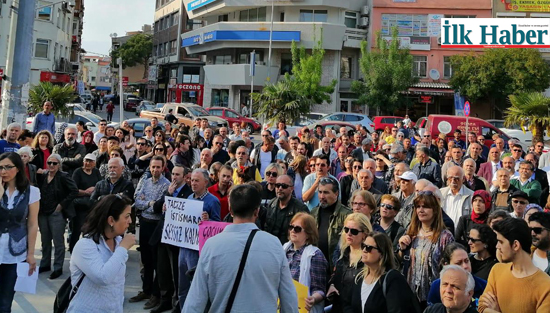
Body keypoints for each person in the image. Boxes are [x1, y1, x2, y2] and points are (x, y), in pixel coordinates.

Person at [183, 184, 298, 312]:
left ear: (230, 210)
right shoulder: (274, 244)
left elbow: (195, 301)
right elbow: (289, 298)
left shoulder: (211, 246)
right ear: (257, 211)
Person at [67, 195, 135, 313]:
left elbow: (117, 286)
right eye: (127, 216)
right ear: (111, 220)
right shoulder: (85, 245)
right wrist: (123, 248)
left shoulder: (118, 242)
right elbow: (103, 277)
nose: (130, 221)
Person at [478, 218, 550, 313]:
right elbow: (482, 307)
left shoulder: (545, 286)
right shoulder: (497, 270)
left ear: (515, 245)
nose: (497, 246)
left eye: (501, 242)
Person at [398, 192, 455, 306]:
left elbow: (451, 268)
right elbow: (400, 262)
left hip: (434, 296)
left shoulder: (445, 237)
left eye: (426, 206)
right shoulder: (411, 232)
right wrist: (402, 248)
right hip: (411, 295)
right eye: (418, 207)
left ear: (435, 210)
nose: (421, 210)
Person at [0, 152, 40, 313]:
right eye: (0, 167)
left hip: (15, 254)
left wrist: (30, 254)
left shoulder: (32, 191)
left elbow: (32, 224)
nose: (3, 171)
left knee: (5, 302)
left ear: (18, 169)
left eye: (8, 167)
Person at [130, 156, 170, 309]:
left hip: (157, 225)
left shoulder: (166, 185)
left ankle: (156, 294)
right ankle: (146, 290)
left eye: (158, 167)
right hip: (145, 223)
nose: (155, 170)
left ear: (163, 167)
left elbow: (158, 207)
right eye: (153, 167)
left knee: (156, 262)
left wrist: (148, 204)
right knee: (146, 260)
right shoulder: (145, 182)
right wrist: (149, 203)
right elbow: (137, 203)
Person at [178, 169, 221, 310]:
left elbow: (217, 226)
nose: (193, 183)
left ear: (206, 183)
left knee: (195, 286)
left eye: (197, 180)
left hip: (197, 250)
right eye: (192, 180)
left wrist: (208, 221)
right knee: (182, 285)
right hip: (184, 248)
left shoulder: (213, 201)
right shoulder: (189, 198)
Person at [348, 232, 421, 313]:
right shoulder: (358, 278)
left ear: (382, 254)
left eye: (369, 248)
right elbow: (348, 305)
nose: (364, 250)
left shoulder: (393, 279)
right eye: (363, 246)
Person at [37, 154, 78, 279]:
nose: (51, 165)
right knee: (45, 240)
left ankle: (58, 267)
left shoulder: (63, 176)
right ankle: (45, 264)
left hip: (56, 213)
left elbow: (74, 190)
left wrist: (62, 204)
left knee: (58, 241)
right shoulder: (43, 176)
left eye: (54, 163)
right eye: (49, 163)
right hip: (43, 212)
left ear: (59, 165)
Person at [283, 213, 328, 313]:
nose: (293, 231)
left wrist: (313, 298)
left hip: (303, 309)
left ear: (308, 234)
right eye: (291, 227)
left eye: (298, 229)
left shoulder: (315, 254)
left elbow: (319, 289)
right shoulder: (283, 250)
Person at [327, 213, 371, 312]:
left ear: (364, 234)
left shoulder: (368, 259)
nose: (349, 233)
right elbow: (336, 279)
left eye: (354, 231)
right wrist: (332, 285)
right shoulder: (342, 254)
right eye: (346, 229)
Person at [310, 176, 351, 269]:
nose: (322, 196)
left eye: (326, 192)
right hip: (314, 265)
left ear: (336, 193)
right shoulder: (313, 213)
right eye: (320, 192)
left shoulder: (347, 215)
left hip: (334, 267)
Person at [69, 153, 102, 252]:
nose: (88, 163)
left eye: (90, 161)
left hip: (92, 206)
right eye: (86, 161)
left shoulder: (96, 172)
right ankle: (73, 250)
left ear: (94, 163)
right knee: (77, 229)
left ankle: (87, 251)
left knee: (90, 230)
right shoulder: (78, 172)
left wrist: (94, 189)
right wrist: (86, 192)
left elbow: (100, 185)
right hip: (79, 206)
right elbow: (73, 189)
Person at [264, 174, 309, 244]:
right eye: (277, 185)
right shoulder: (271, 204)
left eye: (284, 186)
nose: (280, 188)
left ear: (291, 189)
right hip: (270, 246)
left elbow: (306, 234)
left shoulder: (300, 209)